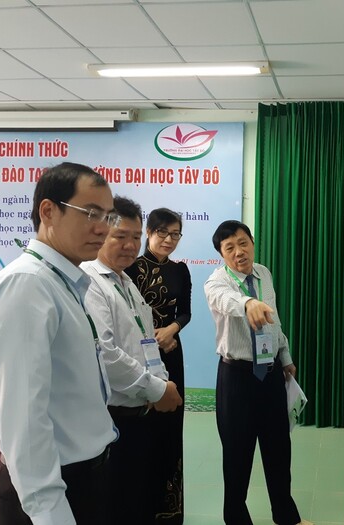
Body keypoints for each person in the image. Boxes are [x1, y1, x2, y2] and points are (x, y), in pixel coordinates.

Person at [0, 162, 119, 525]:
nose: (103, 228)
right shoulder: (28, 285)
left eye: (108, 216)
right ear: (48, 211)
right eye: (91, 213)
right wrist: (49, 513)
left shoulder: (62, 282)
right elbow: (24, 421)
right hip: (50, 491)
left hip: (81, 478)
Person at [80, 196, 183, 525]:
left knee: (141, 503)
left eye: (135, 236)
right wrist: (158, 389)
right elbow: (106, 355)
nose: (130, 245)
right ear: (99, 234)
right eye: (120, 236)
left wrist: (162, 382)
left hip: (141, 415)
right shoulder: (90, 283)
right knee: (118, 507)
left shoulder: (125, 282)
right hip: (114, 421)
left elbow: (145, 342)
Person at [203, 220, 312, 525]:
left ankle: (286, 517)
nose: (239, 252)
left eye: (243, 243)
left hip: (271, 373)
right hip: (236, 378)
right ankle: (236, 518)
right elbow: (226, 301)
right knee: (237, 456)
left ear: (252, 242)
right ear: (221, 254)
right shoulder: (216, 282)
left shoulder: (264, 273)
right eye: (230, 248)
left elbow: (274, 321)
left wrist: (284, 355)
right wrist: (248, 302)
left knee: (279, 450)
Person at [125, 208, 192, 524]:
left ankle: (169, 508)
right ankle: (143, 507)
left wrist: (171, 330)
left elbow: (185, 312)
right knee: (145, 426)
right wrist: (153, 337)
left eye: (175, 234)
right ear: (149, 232)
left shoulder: (181, 270)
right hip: (140, 355)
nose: (169, 239)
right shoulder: (131, 268)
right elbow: (127, 314)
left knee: (171, 426)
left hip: (172, 353)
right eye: (163, 232)